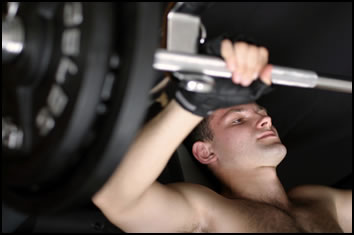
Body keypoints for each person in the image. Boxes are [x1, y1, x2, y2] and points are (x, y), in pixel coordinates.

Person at [92, 39, 352, 233]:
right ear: (206, 151)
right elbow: (115, 198)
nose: (265, 119)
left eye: (261, 112)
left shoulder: (320, 201)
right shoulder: (209, 213)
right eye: (238, 119)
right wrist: (196, 101)